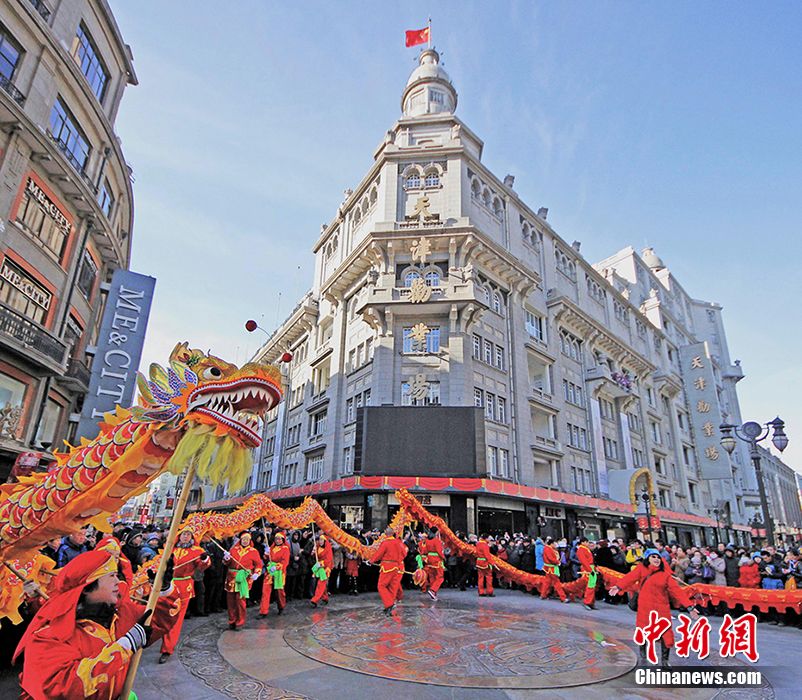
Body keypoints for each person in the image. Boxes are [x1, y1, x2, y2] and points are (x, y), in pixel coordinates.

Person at [15, 545, 180, 699]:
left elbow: (159, 620)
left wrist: (165, 589)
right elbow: (62, 686)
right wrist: (124, 645)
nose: (118, 582)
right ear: (87, 587)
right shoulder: (49, 634)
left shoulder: (120, 613)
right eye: (111, 576)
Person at [609, 549, 699, 668]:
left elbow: (677, 592)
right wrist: (618, 586)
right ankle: (643, 652)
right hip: (645, 606)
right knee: (644, 629)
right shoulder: (641, 569)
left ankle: (665, 660)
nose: (656, 559)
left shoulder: (665, 575)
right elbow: (630, 578)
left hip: (662, 607)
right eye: (653, 557)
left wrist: (689, 606)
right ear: (647, 559)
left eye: (658, 557)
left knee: (666, 633)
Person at [159, 528, 209, 663]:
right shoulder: (171, 549)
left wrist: (204, 560)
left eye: (188, 534)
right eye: (183, 534)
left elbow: (202, 566)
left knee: (176, 618)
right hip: (168, 586)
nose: (185, 537)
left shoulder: (197, 551)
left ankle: (167, 648)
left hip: (184, 587)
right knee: (164, 616)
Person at [224, 531, 263, 630]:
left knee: (240, 601)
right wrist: (227, 558)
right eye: (243, 539)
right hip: (232, 577)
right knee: (230, 601)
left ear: (250, 541)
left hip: (244, 578)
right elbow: (227, 563)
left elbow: (258, 565)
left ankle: (240, 622)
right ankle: (231, 620)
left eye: (247, 539)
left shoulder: (253, 551)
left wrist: (256, 573)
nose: (245, 541)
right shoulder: (233, 550)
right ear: (240, 540)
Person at [369, 527, 408, 615]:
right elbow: (404, 553)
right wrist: (398, 559)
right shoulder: (399, 542)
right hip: (396, 567)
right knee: (392, 586)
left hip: (387, 567)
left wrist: (371, 561)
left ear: (386, 534)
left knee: (381, 586)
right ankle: (389, 606)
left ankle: (389, 604)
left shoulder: (385, 543)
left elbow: (379, 554)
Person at [260, 531, 290, 617]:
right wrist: (265, 555)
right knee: (265, 590)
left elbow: (285, 562)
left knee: (279, 591)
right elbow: (267, 559)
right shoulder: (271, 548)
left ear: (283, 539)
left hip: (280, 572)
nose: (278, 540)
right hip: (270, 571)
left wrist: (277, 567)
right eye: (276, 538)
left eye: (280, 538)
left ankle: (281, 607)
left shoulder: (285, 549)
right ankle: (263, 611)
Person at [539, 536, 568, 603]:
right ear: (551, 544)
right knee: (557, 583)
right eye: (554, 544)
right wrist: (557, 562)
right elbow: (550, 558)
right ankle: (563, 597)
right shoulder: (548, 549)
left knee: (547, 582)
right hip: (551, 568)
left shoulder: (547, 548)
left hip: (548, 568)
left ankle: (543, 595)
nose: (555, 545)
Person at [421, 529, 446, 601]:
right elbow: (439, 551)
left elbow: (425, 551)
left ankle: (433, 593)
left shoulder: (427, 541)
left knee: (432, 577)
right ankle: (433, 590)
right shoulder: (437, 541)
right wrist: (443, 558)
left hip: (429, 560)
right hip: (437, 560)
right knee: (440, 577)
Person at [310, 534, 334, 607]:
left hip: (325, 568)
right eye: (319, 540)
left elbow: (328, 560)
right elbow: (315, 556)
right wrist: (313, 553)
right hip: (319, 567)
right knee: (322, 584)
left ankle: (315, 599)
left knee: (321, 584)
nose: (320, 541)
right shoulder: (317, 547)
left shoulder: (328, 548)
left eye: (322, 540)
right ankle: (325, 598)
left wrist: (321, 563)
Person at [576, 537, 598, 610]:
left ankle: (591, 602)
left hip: (590, 568)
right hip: (588, 569)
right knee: (590, 586)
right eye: (587, 542)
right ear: (583, 542)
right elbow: (584, 561)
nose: (588, 544)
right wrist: (590, 570)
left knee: (592, 585)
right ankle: (587, 602)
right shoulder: (581, 549)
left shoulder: (584, 549)